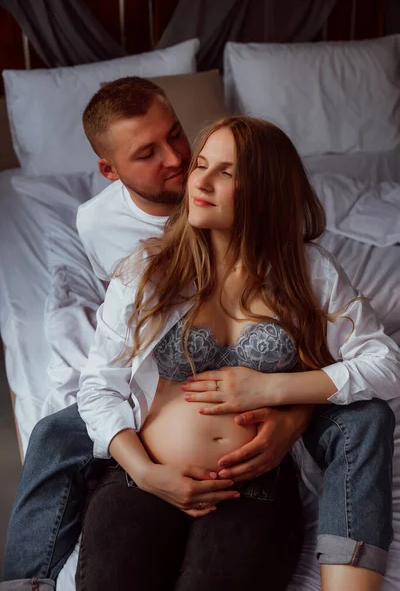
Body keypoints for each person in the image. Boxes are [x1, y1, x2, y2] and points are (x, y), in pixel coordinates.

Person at [1, 78, 312, 591]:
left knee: (357, 415)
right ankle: (27, 580)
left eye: (176, 135)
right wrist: (144, 467)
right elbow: (129, 323)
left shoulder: (233, 183)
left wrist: (292, 411)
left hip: (248, 414)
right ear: (110, 170)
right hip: (161, 398)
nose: (177, 160)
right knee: (58, 431)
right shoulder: (99, 224)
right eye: (147, 153)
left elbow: (289, 282)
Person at [75, 115, 399, 591]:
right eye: (200, 165)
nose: (198, 181)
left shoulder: (310, 273)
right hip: (143, 478)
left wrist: (274, 387)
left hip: (254, 488)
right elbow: (99, 387)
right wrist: (145, 471)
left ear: (264, 189)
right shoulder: (149, 269)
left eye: (225, 172)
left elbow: (385, 364)